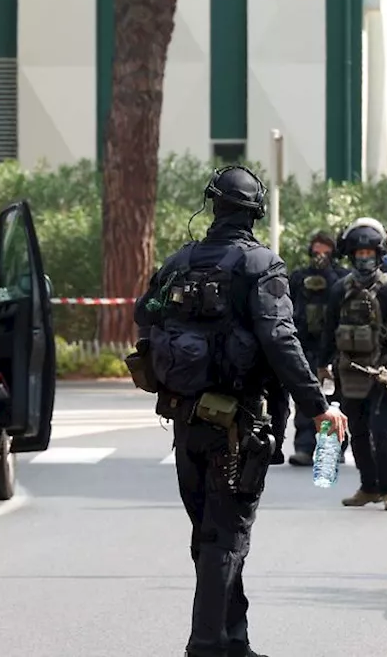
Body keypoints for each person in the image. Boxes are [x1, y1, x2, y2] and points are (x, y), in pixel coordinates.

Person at [133, 165, 345, 657]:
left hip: (185, 420)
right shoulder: (261, 265)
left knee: (209, 534)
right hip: (239, 424)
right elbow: (280, 339)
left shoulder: (178, 261)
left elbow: (145, 314)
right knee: (225, 539)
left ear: (212, 206)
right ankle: (206, 646)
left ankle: (234, 640)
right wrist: (318, 407)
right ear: (255, 211)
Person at [320, 220, 387, 511]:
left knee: (381, 430)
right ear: (352, 255)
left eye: (369, 253)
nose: (364, 259)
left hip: (384, 374)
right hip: (351, 374)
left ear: (379, 255)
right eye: (359, 253)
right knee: (358, 430)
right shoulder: (340, 290)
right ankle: (369, 487)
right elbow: (328, 330)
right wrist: (322, 365)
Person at [282, 231, 350, 466]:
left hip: (333, 349)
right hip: (306, 347)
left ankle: (334, 448)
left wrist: (327, 275)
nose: (320, 256)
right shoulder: (300, 277)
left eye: (325, 251)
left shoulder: (341, 278)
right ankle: (304, 447)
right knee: (305, 399)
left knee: (334, 401)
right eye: (316, 251)